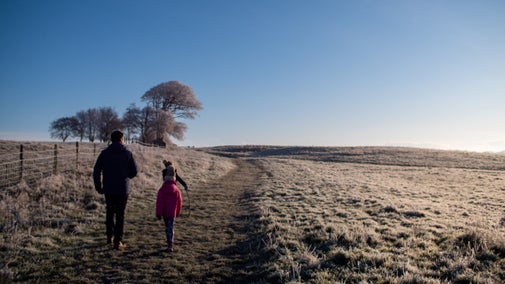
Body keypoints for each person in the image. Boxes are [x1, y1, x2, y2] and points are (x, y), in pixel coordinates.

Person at [93, 130, 138, 250]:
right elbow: (134, 172)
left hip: (108, 188)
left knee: (109, 211)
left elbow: (96, 171)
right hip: (123, 188)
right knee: (120, 214)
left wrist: (98, 186)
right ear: (121, 139)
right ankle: (118, 241)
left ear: (111, 140)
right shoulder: (127, 154)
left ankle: (109, 236)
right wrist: (125, 175)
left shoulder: (104, 153)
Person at [156, 165, 182, 252]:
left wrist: (159, 213)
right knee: (171, 227)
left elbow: (159, 202)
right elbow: (179, 202)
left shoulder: (162, 189)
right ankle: (170, 244)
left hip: (165, 213)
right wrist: (178, 212)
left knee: (167, 227)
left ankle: (169, 243)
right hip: (172, 213)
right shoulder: (177, 189)